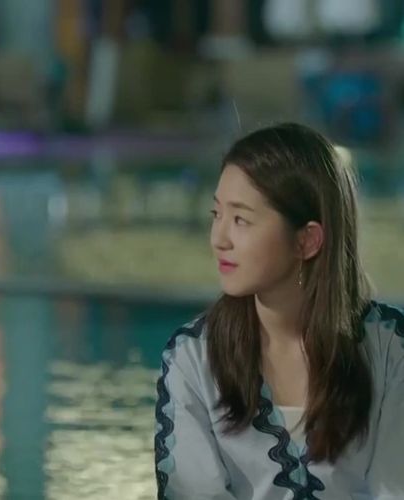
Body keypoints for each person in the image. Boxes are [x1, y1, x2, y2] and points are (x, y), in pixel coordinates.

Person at [154, 123, 403, 499]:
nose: (218, 239)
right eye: (216, 214)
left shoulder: (389, 349)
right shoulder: (194, 359)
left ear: (307, 240)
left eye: (240, 220)